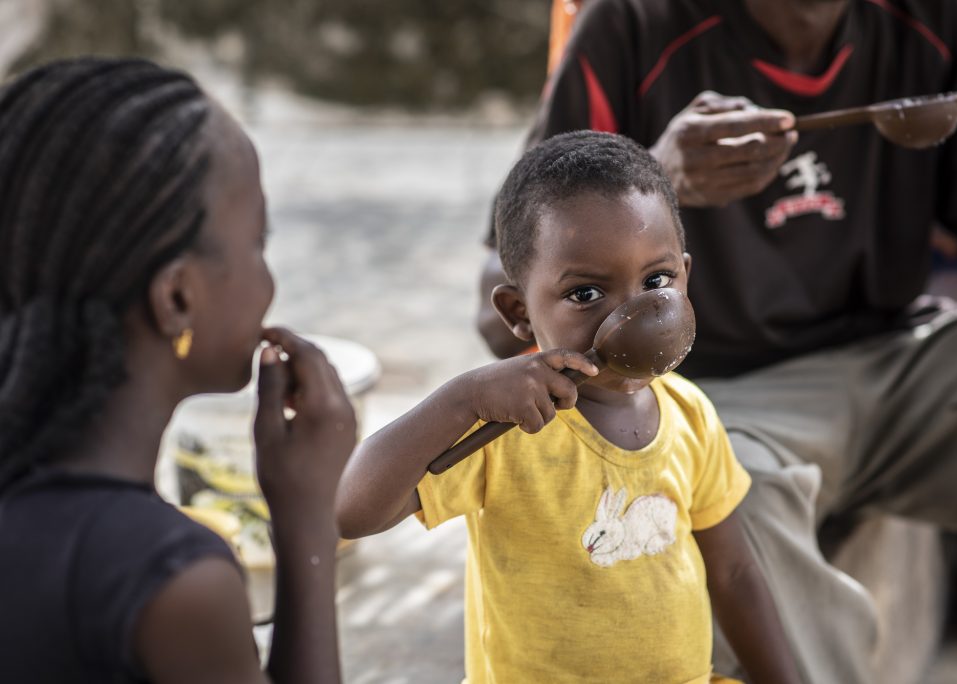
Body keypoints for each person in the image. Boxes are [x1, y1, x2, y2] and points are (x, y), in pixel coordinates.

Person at [476, 0, 957, 681]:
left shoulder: (941, 24)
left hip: (902, 368)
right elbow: (499, 304)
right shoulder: (631, 26)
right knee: (724, 508)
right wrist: (653, 186)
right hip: (725, 401)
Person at [337, 131, 801, 684]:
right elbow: (350, 510)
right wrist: (463, 397)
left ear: (686, 277)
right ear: (518, 314)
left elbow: (734, 573)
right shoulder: (506, 430)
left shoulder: (690, 414)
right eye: (586, 294)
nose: (635, 315)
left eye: (657, 281)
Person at [0, 58, 355, 683]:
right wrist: (307, 521)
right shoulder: (171, 581)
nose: (269, 281)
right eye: (258, 242)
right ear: (178, 299)